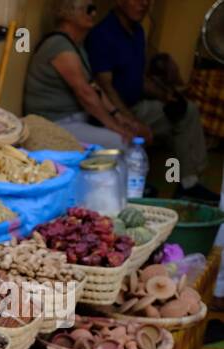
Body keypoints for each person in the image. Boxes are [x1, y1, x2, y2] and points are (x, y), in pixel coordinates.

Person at [86, 0, 217, 202]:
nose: (144, 4)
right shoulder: (103, 34)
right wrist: (129, 121)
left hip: (137, 105)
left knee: (185, 111)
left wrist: (166, 96)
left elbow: (138, 80)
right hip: (115, 110)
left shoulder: (137, 32)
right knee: (151, 130)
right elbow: (104, 86)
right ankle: (140, 183)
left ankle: (188, 184)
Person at [24, 0, 136, 151]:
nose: (94, 14)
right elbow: (85, 93)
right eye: (88, 9)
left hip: (74, 120)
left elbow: (93, 85)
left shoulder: (75, 46)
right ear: (68, 13)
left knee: (128, 138)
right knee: (121, 141)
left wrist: (118, 116)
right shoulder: (59, 45)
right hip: (55, 124)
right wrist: (115, 127)